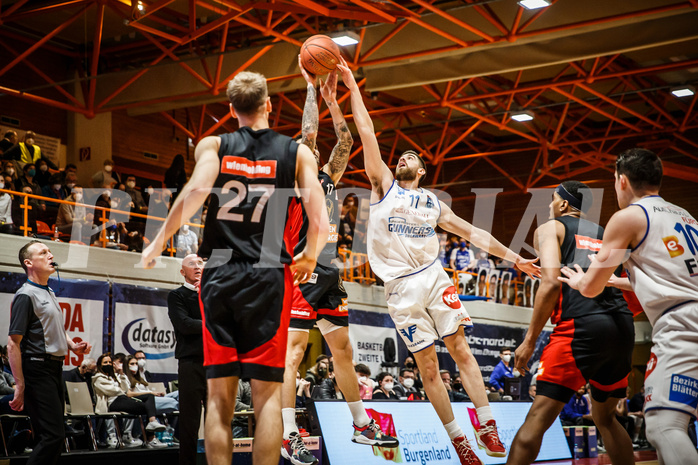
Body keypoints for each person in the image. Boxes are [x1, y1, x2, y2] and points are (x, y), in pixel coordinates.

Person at [337, 57, 540, 465]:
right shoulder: (383, 187)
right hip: (399, 289)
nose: (403, 157)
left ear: (423, 169)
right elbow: (366, 130)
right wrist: (349, 84)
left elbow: (476, 234)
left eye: (411, 155)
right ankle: (458, 441)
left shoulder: (432, 202)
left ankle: (486, 426)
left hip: (433, 277)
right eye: (401, 155)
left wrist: (515, 257)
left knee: (461, 350)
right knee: (428, 367)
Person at [142, 70, 329, 465]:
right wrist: (311, 254)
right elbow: (319, 215)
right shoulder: (296, 153)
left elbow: (194, 192)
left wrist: (159, 240)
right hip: (267, 274)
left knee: (219, 400)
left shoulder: (214, 144)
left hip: (221, 272)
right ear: (269, 105)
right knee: (265, 401)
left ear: (230, 109)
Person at [282, 61, 392, 465]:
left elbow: (344, 143)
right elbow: (309, 134)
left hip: (328, 273)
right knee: (292, 355)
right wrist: (310, 86)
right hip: (299, 267)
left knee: (342, 353)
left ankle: (361, 424)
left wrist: (333, 101)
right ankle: (288, 434)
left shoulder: (326, 177)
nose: (312, 149)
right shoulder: (293, 176)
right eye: (305, 149)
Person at [558, 148, 698, 464]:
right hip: (690, 309)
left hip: (683, 323)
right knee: (681, 423)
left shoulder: (628, 217)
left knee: (664, 424)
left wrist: (583, 280)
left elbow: (590, 287)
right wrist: (612, 280)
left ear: (622, 181)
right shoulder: (685, 215)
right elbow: (664, 277)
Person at [507, 180, 635, 465]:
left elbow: (551, 284)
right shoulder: (605, 233)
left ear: (563, 204)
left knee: (538, 418)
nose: (551, 205)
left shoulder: (551, 228)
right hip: (621, 326)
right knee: (606, 417)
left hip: (581, 326)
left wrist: (529, 342)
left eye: (553, 199)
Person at [8, 240, 92, 465]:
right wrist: (20, 385)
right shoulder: (26, 295)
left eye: (49, 251)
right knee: (52, 436)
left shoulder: (49, 292)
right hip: (37, 368)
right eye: (43, 252)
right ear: (29, 263)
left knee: (56, 436)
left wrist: (72, 345)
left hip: (55, 368)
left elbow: (55, 328)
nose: (50, 254)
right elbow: (13, 343)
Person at [167, 254, 207, 465]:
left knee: (218, 421)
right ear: (182, 272)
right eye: (191, 264)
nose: (197, 266)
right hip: (191, 363)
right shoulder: (177, 296)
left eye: (200, 262)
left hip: (215, 364)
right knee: (189, 422)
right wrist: (212, 324)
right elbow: (184, 324)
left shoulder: (213, 295)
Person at [92, 353, 165, 448]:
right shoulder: (98, 378)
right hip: (112, 403)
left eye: (110, 362)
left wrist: (122, 374)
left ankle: (152, 422)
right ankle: (150, 438)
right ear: (100, 365)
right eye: (105, 362)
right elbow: (113, 391)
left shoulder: (114, 376)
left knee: (149, 396)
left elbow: (125, 388)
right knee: (147, 408)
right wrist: (121, 390)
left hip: (122, 398)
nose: (108, 364)